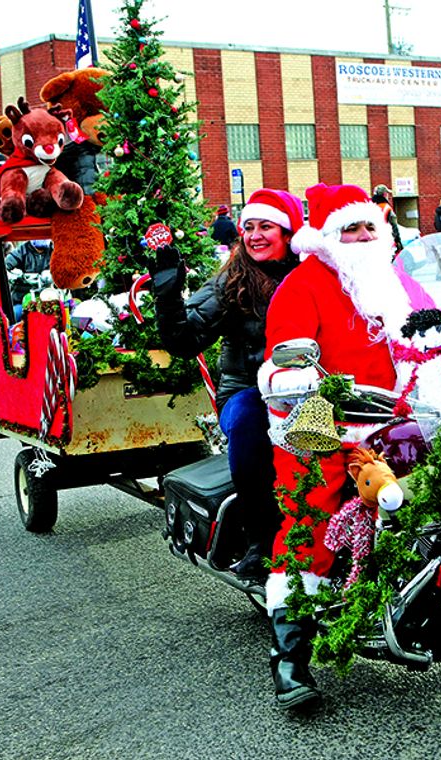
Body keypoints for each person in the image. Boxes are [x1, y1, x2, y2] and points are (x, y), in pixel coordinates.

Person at [258, 182, 422, 709]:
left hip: (397, 424)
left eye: (369, 226)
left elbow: (439, 329)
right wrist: (299, 383)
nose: (362, 236)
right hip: (322, 426)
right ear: (327, 237)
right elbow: (283, 362)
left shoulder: (396, 279)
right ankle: (291, 656)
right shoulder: (302, 285)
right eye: (349, 228)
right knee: (311, 521)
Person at [152, 188, 305, 583]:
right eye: (248, 227)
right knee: (250, 421)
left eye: (265, 226)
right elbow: (183, 341)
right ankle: (259, 539)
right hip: (248, 388)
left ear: (288, 233)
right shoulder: (232, 281)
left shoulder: (310, 274)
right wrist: (168, 289)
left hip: (308, 386)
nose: (254, 235)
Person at [4, 239, 53, 316]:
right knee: (16, 314)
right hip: (22, 299)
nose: (42, 239)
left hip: (47, 299)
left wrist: (52, 275)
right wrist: (20, 276)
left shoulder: (53, 251)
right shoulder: (21, 251)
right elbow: (4, 268)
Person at [371, 184, 404, 253]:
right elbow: (394, 226)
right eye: (387, 193)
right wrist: (398, 241)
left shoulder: (369, 206)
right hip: (385, 240)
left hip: (372, 240)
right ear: (384, 194)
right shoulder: (386, 208)